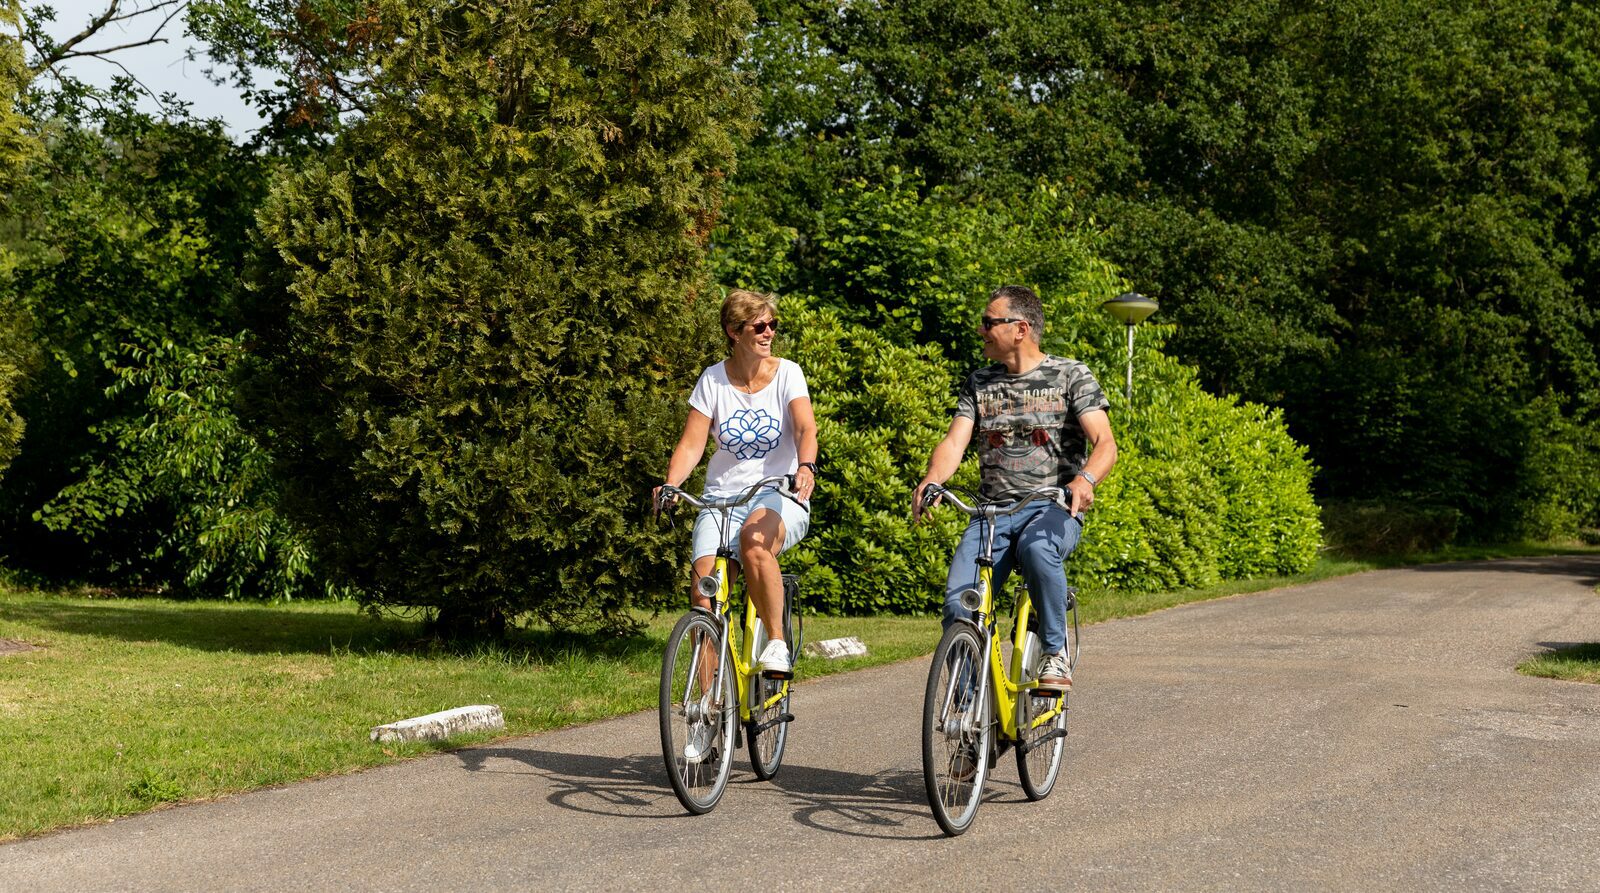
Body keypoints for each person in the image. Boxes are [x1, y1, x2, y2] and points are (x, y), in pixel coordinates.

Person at [913, 284, 1117, 692]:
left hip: (1053, 507)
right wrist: (933, 478)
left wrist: (1086, 478)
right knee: (959, 606)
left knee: (1038, 549)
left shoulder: (1070, 374)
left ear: (1021, 328)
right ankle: (969, 717)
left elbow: (1105, 443)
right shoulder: (980, 381)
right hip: (991, 513)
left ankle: (1054, 651)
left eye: (990, 322)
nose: (981, 330)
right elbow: (956, 442)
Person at [656, 289, 818, 677]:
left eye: (772, 325)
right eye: (759, 326)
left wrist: (807, 465)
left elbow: (804, 427)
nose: (769, 333)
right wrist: (671, 484)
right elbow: (692, 444)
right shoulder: (712, 380)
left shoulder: (788, 373)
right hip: (720, 498)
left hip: (779, 492)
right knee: (703, 594)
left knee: (754, 542)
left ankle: (776, 642)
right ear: (733, 331)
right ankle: (706, 710)